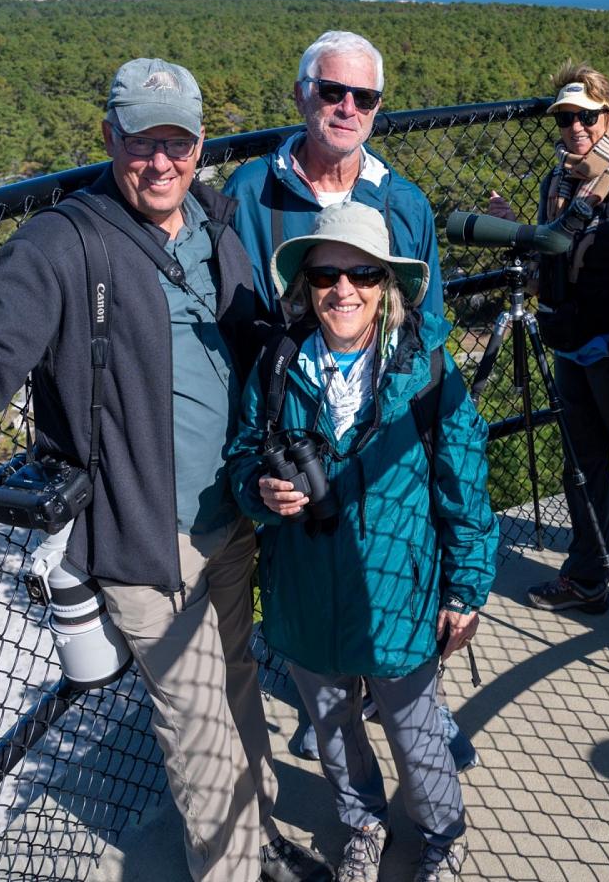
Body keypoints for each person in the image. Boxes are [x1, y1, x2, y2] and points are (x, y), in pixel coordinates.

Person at [0, 59, 328, 881]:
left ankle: (262, 838)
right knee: (200, 739)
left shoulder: (210, 215)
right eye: (142, 142)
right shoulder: (64, 244)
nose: (160, 161)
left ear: (200, 145)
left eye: (177, 142)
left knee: (240, 684)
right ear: (109, 138)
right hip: (149, 539)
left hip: (232, 513)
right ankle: (235, 867)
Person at [227, 201, 497, 882]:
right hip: (306, 589)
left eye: (363, 275)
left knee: (416, 729)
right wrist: (258, 489)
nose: (344, 290)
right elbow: (239, 458)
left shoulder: (428, 370)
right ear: (306, 286)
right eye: (326, 275)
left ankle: (442, 836)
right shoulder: (279, 365)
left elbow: (463, 483)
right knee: (330, 722)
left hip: (398, 593)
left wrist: (465, 588)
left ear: (388, 287)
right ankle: (363, 824)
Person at [486, 63, 609, 614]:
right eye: (566, 118)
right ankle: (588, 575)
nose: (575, 128)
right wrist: (518, 228)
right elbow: (553, 261)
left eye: (586, 116)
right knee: (581, 464)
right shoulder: (557, 183)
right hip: (568, 338)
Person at [223, 29, 443, 322]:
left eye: (364, 97)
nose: (348, 109)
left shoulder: (407, 204)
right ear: (300, 95)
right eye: (332, 91)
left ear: (376, 107)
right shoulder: (249, 194)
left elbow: (428, 326)